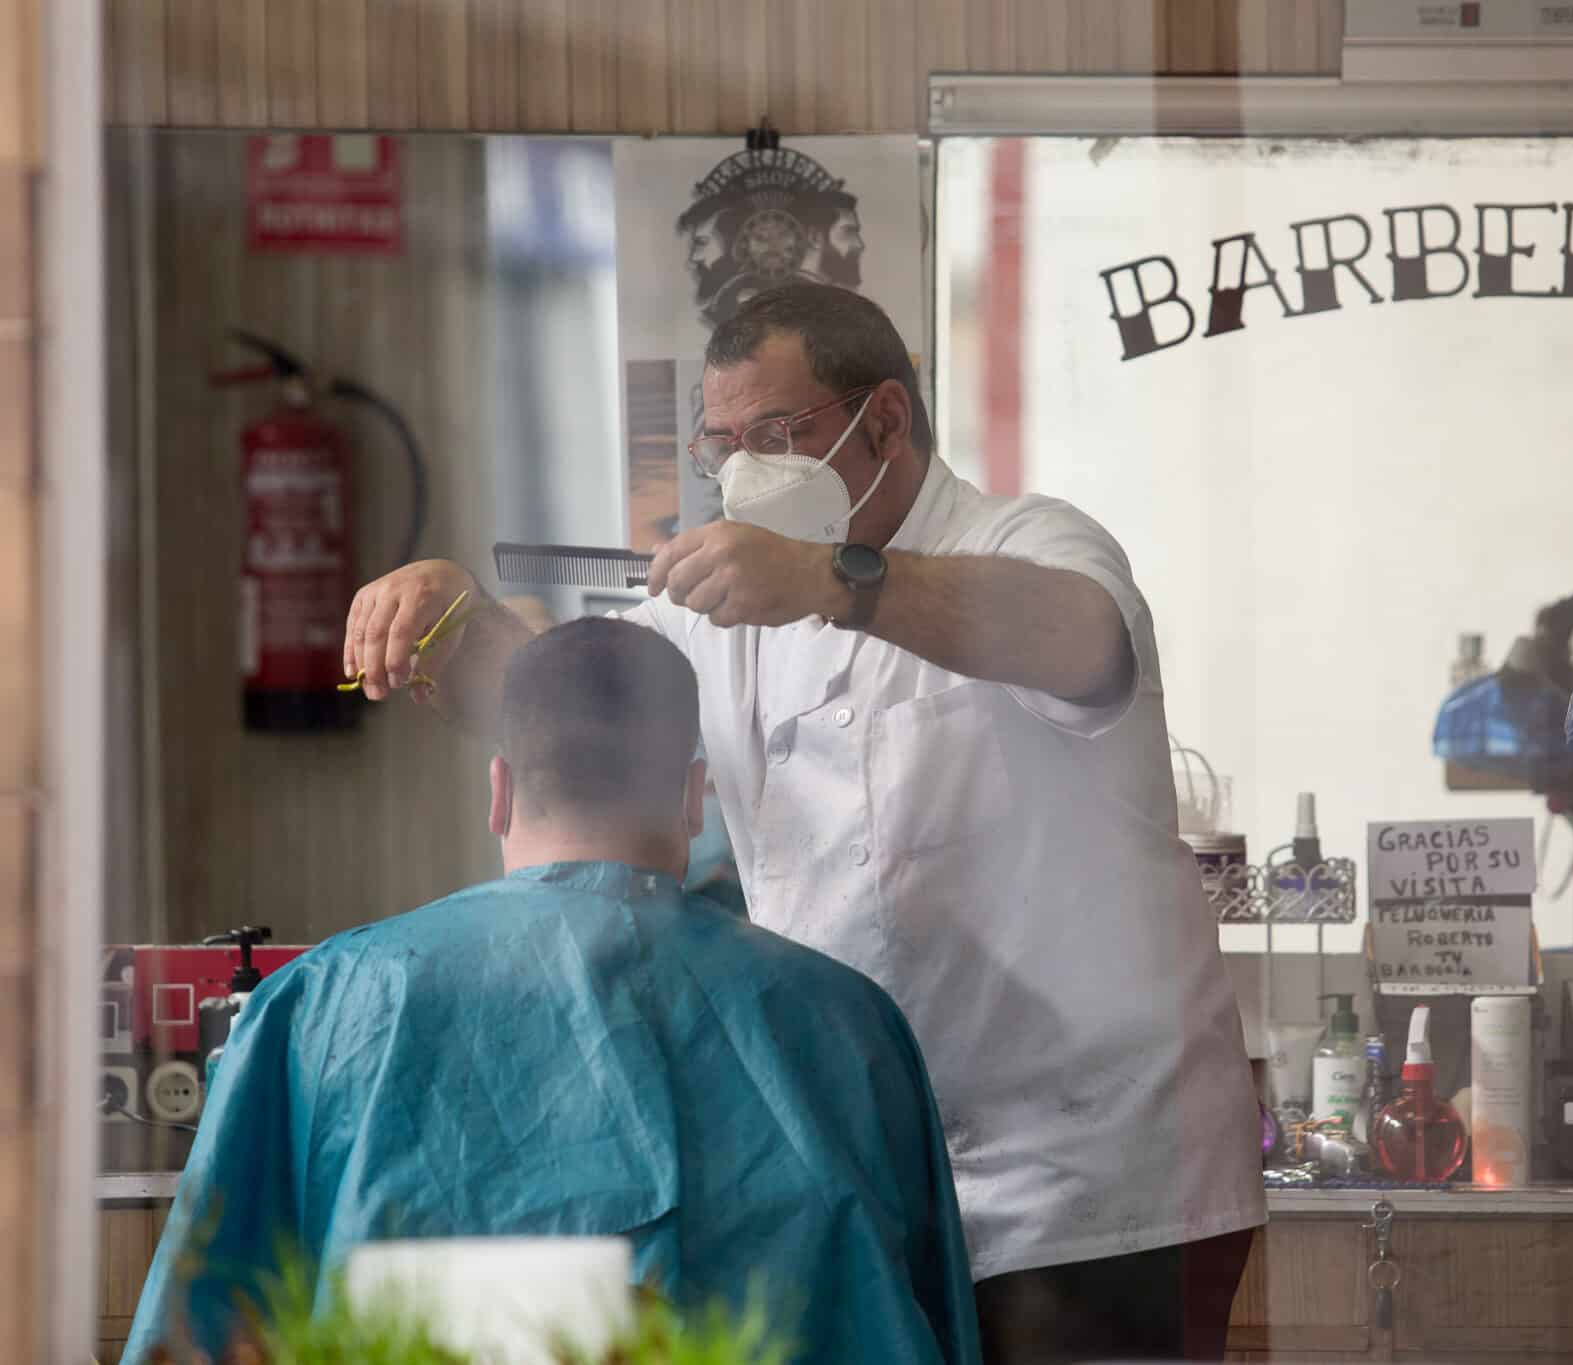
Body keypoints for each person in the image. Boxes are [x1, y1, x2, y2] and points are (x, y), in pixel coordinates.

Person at [345, 283, 1266, 1362]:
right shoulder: (732, 610)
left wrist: (835, 580)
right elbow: (567, 698)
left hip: (1097, 1182)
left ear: (884, 418)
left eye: (778, 435)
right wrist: (452, 618)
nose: (744, 472)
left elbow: (1077, 634)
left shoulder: (1032, 542)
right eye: (721, 444)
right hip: (863, 1176)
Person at [123, 618, 980, 1365]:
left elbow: (197, 1326)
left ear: (498, 791)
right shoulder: (850, 1024)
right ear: (691, 797)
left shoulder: (323, 1007)